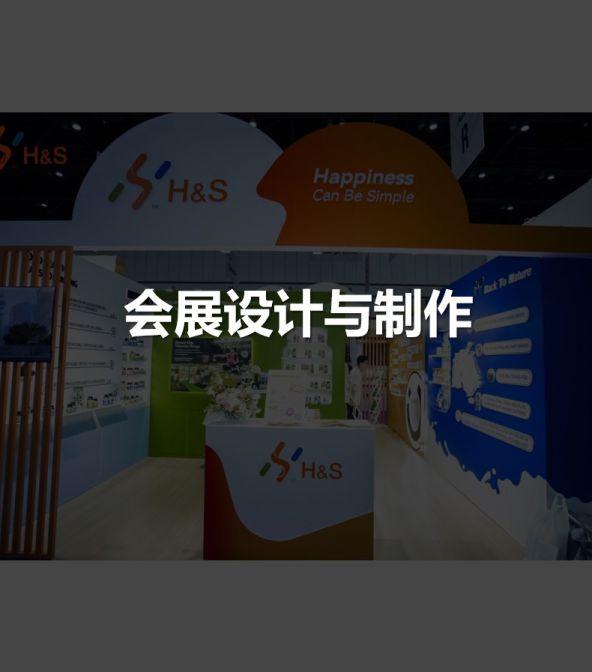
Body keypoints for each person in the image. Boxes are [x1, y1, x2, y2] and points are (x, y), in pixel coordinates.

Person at [346, 355, 368, 419]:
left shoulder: (358, 372)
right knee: (352, 420)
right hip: (352, 403)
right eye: (365, 363)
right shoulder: (355, 373)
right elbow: (350, 388)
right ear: (360, 363)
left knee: (354, 418)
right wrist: (350, 400)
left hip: (354, 403)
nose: (366, 365)